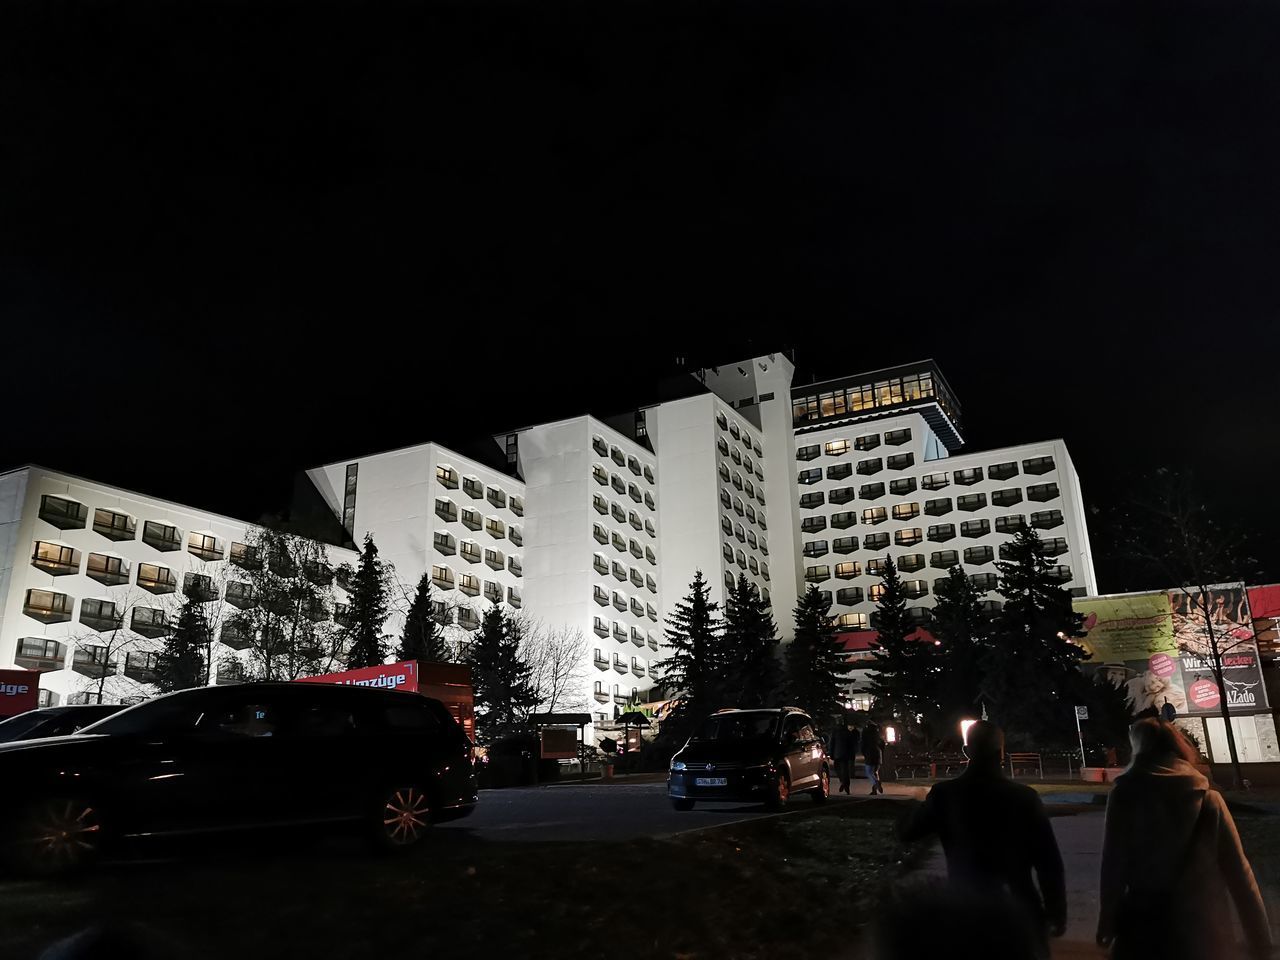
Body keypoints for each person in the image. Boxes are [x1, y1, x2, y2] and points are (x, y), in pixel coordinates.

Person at [1096, 718, 1270, 960]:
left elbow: (1113, 865)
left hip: (1142, 929)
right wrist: (1260, 939)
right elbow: (1239, 874)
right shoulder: (1208, 799)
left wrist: (1106, 920)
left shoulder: (1124, 796)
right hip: (1203, 930)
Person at [898, 721, 1066, 959]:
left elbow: (907, 832)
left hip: (966, 910)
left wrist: (914, 803)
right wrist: (1056, 912)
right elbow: (1049, 863)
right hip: (1019, 909)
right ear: (1001, 753)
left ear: (967, 751)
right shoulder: (1025, 798)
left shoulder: (946, 795)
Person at [827, 716, 859, 794]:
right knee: (845, 770)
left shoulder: (835, 732)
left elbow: (831, 743)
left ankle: (842, 782)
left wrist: (831, 753)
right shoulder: (847, 732)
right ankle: (846, 785)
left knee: (837, 768)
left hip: (837, 753)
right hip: (846, 754)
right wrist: (852, 754)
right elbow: (851, 744)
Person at [862, 722, 885, 795]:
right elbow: (882, 744)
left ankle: (876, 783)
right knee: (875, 772)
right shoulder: (878, 734)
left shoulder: (866, 734)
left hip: (869, 754)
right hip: (878, 753)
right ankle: (874, 790)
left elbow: (863, 745)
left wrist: (864, 753)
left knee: (869, 772)